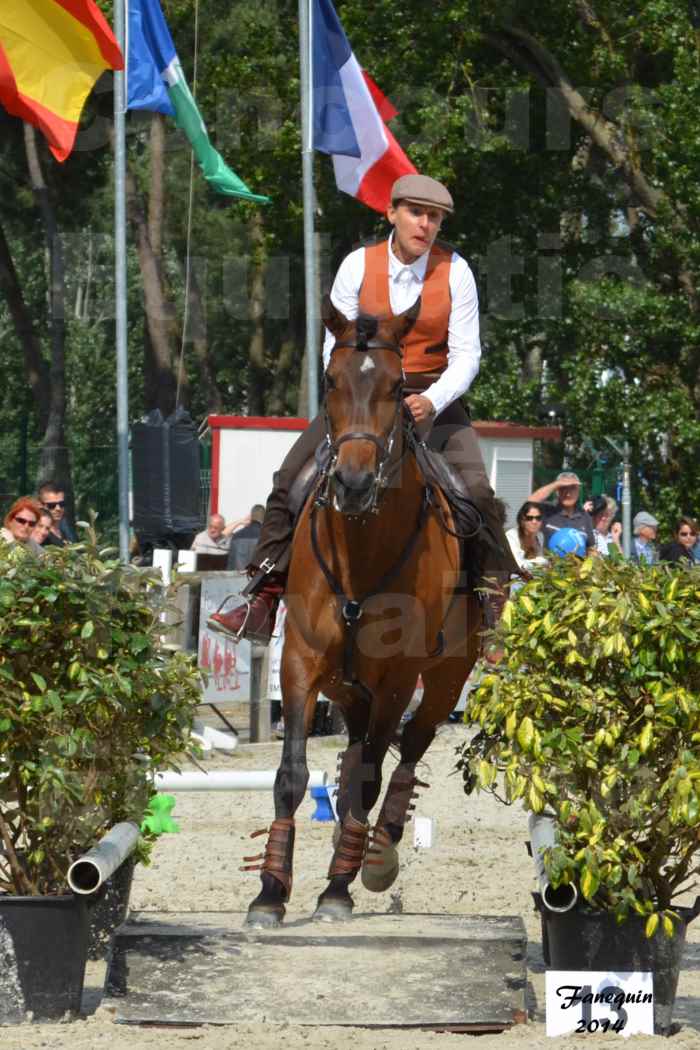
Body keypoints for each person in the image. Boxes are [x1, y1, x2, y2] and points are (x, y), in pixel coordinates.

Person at [209, 173, 519, 644]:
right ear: (391, 213)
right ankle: (262, 597)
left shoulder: (456, 271)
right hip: (361, 401)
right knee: (288, 480)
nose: (426, 224)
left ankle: (491, 605)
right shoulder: (357, 264)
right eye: (417, 213)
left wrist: (431, 400)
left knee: (477, 491)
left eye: (434, 217)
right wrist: (355, 395)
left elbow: (468, 355)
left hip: (433, 400)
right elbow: (336, 344)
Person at [527, 471, 596, 555]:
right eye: (563, 488)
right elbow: (529, 504)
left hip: (578, 566)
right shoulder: (547, 510)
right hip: (549, 566)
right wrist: (556, 484)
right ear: (557, 491)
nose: (568, 493)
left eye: (572, 488)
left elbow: (591, 549)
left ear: (578, 491)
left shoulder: (585, 517)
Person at [506, 502, 547, 572]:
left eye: (538, 518)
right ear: (522, 520)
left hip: (534, 578)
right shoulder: (511, 535)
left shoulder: (540, 536)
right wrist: (540, 562)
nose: (534, 522)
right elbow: (518, 565)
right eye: (529, 518)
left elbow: (543, 563)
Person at [38, 480, 76, 547]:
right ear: (41, 505)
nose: (58, 508)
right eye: (52, 505)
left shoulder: (66, 527)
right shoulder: (38, 534)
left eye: (61, 504)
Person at [227, 504, 265, 571]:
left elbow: (231, 563)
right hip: (257, 578)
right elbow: (269, 560)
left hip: (237, 578)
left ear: (251, 517)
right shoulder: (266, 536)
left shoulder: (236, 535)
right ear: (265, 517)